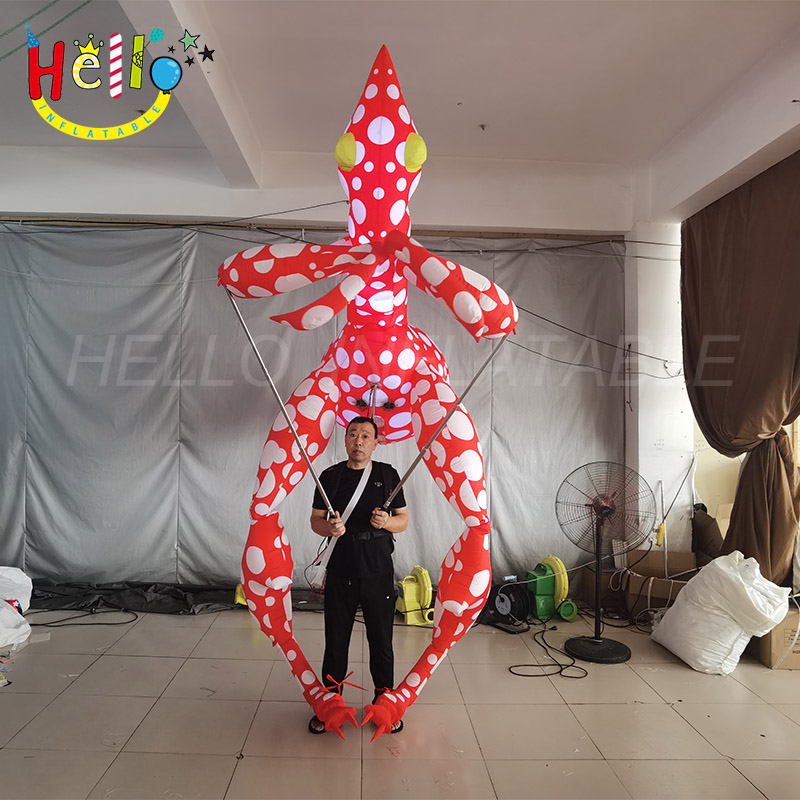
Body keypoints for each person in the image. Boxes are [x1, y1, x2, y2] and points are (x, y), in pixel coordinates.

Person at [308, 416, 408, 734]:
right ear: (345, 440)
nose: (359, 441)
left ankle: (384, 701)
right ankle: (331, 702)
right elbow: (315, 520)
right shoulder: (330, 476)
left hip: (378, 570)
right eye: (353, 434)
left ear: (376, 443)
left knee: (381, 640)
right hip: (341, 569)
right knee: (336, 640)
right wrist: (330, 528)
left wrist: (386, 523)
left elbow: (403, 520)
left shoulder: (387, 475)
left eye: (366, 435)